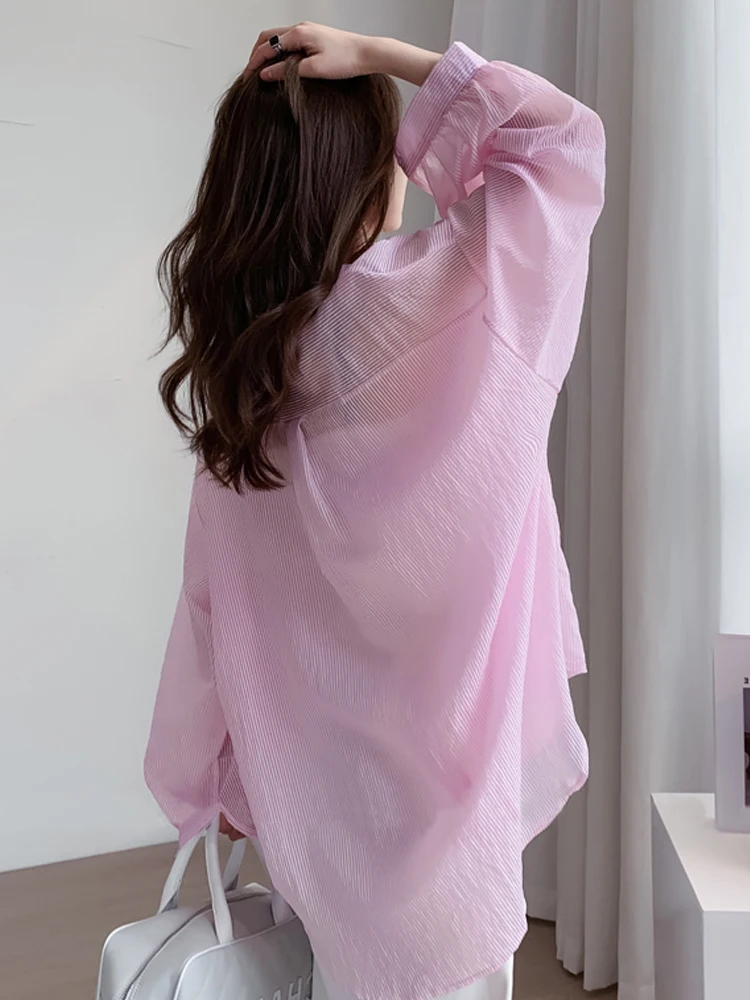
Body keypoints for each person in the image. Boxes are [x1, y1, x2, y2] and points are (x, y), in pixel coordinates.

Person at [145, 22, 606, 1000]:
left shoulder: (246, 370)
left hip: (316, 820)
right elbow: (563, 143)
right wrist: (385, 57)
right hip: (446, 818)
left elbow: (213, 603)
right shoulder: (451, 302)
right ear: (365, 174)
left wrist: (215, 778)